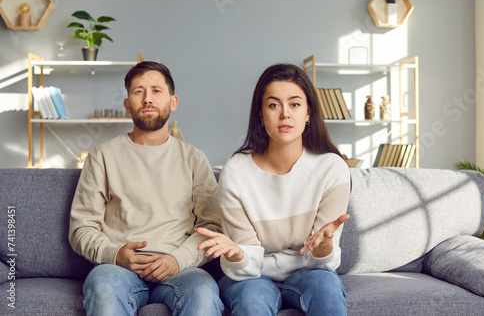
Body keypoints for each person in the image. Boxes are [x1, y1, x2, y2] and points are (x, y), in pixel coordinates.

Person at [69, 61, 224, 316]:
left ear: (173, 102)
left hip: (181, 270)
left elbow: (213, 228)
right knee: (103, 285)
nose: (148, 99)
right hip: (118, 270)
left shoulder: (195, 159)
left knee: (203, 290)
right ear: (127, 104)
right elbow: (81, 228)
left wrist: (177, 260)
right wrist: (115, 254)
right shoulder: (102, 157)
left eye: (156, 91)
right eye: (138, 91)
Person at [197, 63, 351, 315]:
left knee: (326, 288)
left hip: (308, 272)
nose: (285, 114)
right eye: (273, 105)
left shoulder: (332, 169)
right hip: (251, 276)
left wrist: (324, 248)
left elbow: (321, 264)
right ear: (260, 114)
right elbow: (246, 264)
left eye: (295, 104)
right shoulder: (236, 171)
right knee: (251, 299)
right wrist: (237, 253)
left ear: (309, 112)